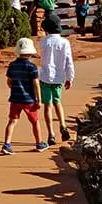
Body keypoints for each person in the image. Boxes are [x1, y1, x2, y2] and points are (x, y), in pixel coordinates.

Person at [1, 37, 49, 155]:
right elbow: (36, 83)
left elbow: (9, 81)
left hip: (15, 98)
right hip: (29, 99)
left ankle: (7, 144)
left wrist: (14, 89)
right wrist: (39, 99)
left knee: (12, 121)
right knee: (34, 121)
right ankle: (39, 143)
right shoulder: (31, 67)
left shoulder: (12, 65)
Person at [39, 14, 74, 146]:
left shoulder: (44, 42)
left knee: (47, 106)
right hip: (59, 77)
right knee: (57, 102)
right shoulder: (65, 42)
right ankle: (63, 125)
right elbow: (69, 61)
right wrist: (70, 77)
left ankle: (51, 134)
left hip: (46, 77)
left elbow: (42, 60)